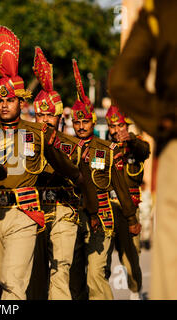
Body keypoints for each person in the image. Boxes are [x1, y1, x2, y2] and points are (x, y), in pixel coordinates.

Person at [0, 26, 82, 300]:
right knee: (5, 284)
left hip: (33, 210)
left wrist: (81, 183)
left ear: (21, 102)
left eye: (10, 99)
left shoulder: (40, 135)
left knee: (39, 278)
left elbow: (67, 167)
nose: (3, 105)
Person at [108, 0, 177, 300]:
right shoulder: (104, 147)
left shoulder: (164, 8)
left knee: (169, 269)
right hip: (110, 211)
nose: (117, 131)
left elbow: (121, 81)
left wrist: (163, 122)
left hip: (173, 142)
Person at [71, 59, 141, 300]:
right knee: (76, 276)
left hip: (102, 217)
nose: (81, 126)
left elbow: (121, 186)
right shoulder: (66, 146)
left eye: (85, 121)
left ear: (93, 121)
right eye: (76, 122)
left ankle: (134, 290)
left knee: (95, 274)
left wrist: (131, 218)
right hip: (74, 218)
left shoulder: (107, 149)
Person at [28, 47, 84, 300]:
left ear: (59, 116)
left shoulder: (71, 145)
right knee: (35, 275)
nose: (44, 119)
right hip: (33, 209)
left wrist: (50, 147)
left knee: (60, 272)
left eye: (50, 114)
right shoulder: (25, 142)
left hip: (62, 210)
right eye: (40, 114)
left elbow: (69, 172)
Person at [105, 105, 150, 300]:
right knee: (101, 258)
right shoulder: (102, 146)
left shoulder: (136, 145)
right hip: (106, 207)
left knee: (131, 255)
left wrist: (130, 138)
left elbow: (145, 150)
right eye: (112, 126)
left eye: (120, 125)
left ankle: (134, 291)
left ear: (127, 125)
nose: (116, 130)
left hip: (129, 209)